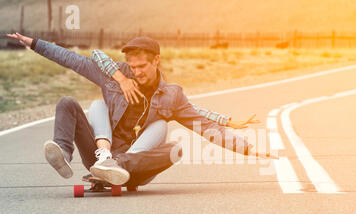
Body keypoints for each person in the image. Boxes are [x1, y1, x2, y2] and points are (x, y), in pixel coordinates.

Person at [7, 32, 274, 187]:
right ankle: (63, 153)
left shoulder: (172, 95)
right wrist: (35, 44)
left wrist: (250, 149)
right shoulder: (115, 76)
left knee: (172, 145)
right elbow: (73, 59)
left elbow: (205, 127)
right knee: (68, 103)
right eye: (132, 67)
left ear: (156, 61)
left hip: (135, 168)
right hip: (101, 156)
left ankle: (118, 167)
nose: (136, 73)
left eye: (142, 67)